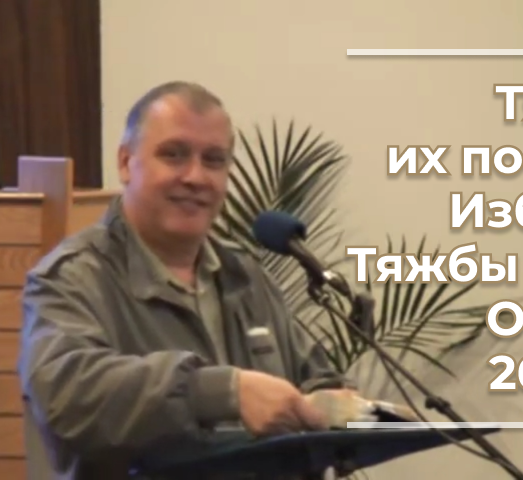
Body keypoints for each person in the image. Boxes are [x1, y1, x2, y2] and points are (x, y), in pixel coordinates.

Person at [16, 81, 379, 479]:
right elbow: (69, 398)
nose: (195, 177)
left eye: (213, 160)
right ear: (125, 162)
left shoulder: (245, 274)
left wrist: (333, 402)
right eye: (173, 154)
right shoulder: (72, 278)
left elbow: (310, 375)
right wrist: (220, 392)